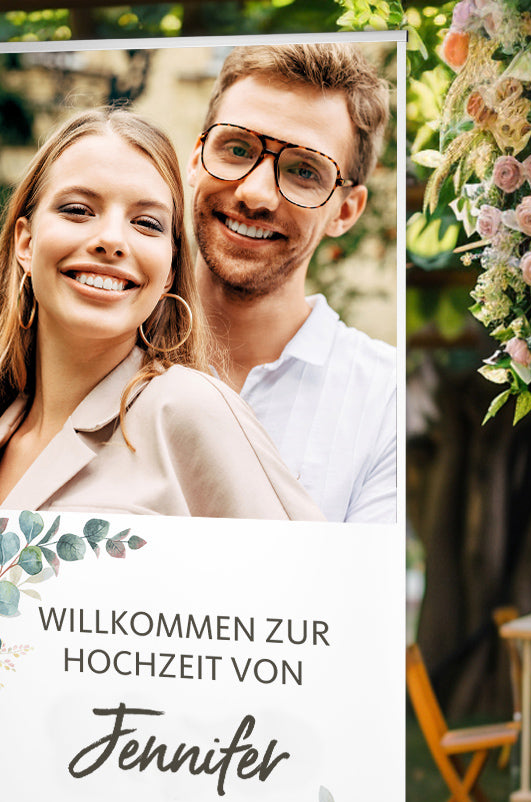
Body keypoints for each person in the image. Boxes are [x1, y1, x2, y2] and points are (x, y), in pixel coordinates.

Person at [0, 108, 323, 522]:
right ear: (26, 243)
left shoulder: (189, 409)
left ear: (169, 272)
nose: (111, 240)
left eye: (146, 223)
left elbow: (316, 577)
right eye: (78, 210)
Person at [188, 43, 398, 523]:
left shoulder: (384, 399)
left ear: (346, 210)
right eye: (237, 149)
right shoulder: (104, 347)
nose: (255, 194)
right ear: (197, 158)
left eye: (305, 170)